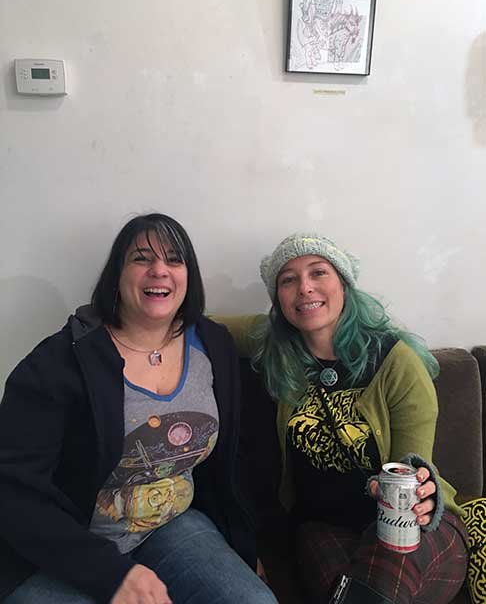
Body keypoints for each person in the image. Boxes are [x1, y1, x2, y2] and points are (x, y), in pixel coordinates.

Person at [0, 213, 278, 604]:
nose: (159, 270)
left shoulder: (214, 344)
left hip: (170, 525)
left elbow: (232, 463)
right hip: (65, 547)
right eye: (142, 258)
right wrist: (109, 573)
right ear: (117, 275)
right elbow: (13, 490)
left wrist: (245, 543)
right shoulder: (57, 364)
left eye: (174, 259)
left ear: (189, 276)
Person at [219, 233, 468, 604]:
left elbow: (411, 467)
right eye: (288, 279)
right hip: (325, 527)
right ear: (279, 299)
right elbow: (190, 318)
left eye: (318, 272)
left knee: (388, 558)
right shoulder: (272, 346)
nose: (305, 287)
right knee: (355, 589)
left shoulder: (396, 362)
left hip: (416, 526)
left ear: (344, 284)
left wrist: (418, 491)